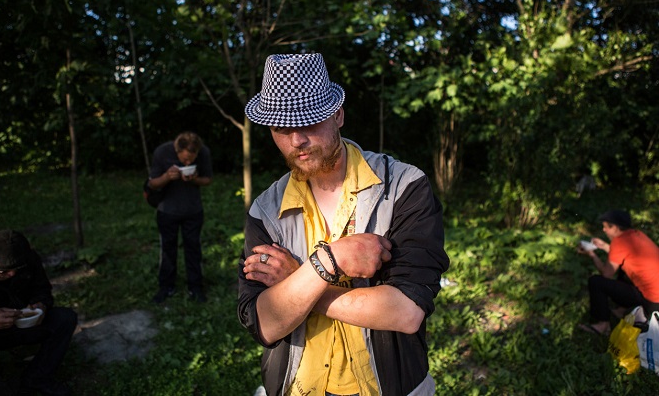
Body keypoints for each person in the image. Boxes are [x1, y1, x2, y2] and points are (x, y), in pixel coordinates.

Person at [237, 53, 449, 396]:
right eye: (281, 128)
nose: (296, 141)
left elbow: (407, 312)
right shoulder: (265, 210)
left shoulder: (403, 187)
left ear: (338, 114)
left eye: (308, 122)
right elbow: (265, 323)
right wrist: (330, 261)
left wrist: (298, 280)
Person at [0, 229, 78, 396]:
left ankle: (37, 377)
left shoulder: (28, 259)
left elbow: (43, 289)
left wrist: (42, 305)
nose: (12, 274)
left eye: (16, 269)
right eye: (3, 271)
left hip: (22, 324)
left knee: (65, 318)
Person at [147, 131, 213, 304]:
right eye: (184, 160)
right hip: (167, 210)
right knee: (167, 249)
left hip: (193, 210)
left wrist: (194, 179)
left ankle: (195, 287)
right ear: (177, 151)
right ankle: (166, 287)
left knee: (193, 249)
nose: (188, 162)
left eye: (191, 159)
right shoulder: (162, 152)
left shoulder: (203, 152)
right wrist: (167, 177)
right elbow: (152, 183)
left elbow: (208, 179)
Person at [577, 209, 659, 335]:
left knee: (596, 282)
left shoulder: (619, 242)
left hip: (651, 301)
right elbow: (622, 256)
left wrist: (592, 254)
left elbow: (607, 273)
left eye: (606, 227)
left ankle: (602, 325)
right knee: (624, 267)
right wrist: (604, 246)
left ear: (615, 227)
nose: (604, 230)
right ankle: (622, 309)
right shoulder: (636, 235)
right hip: (656, 295)